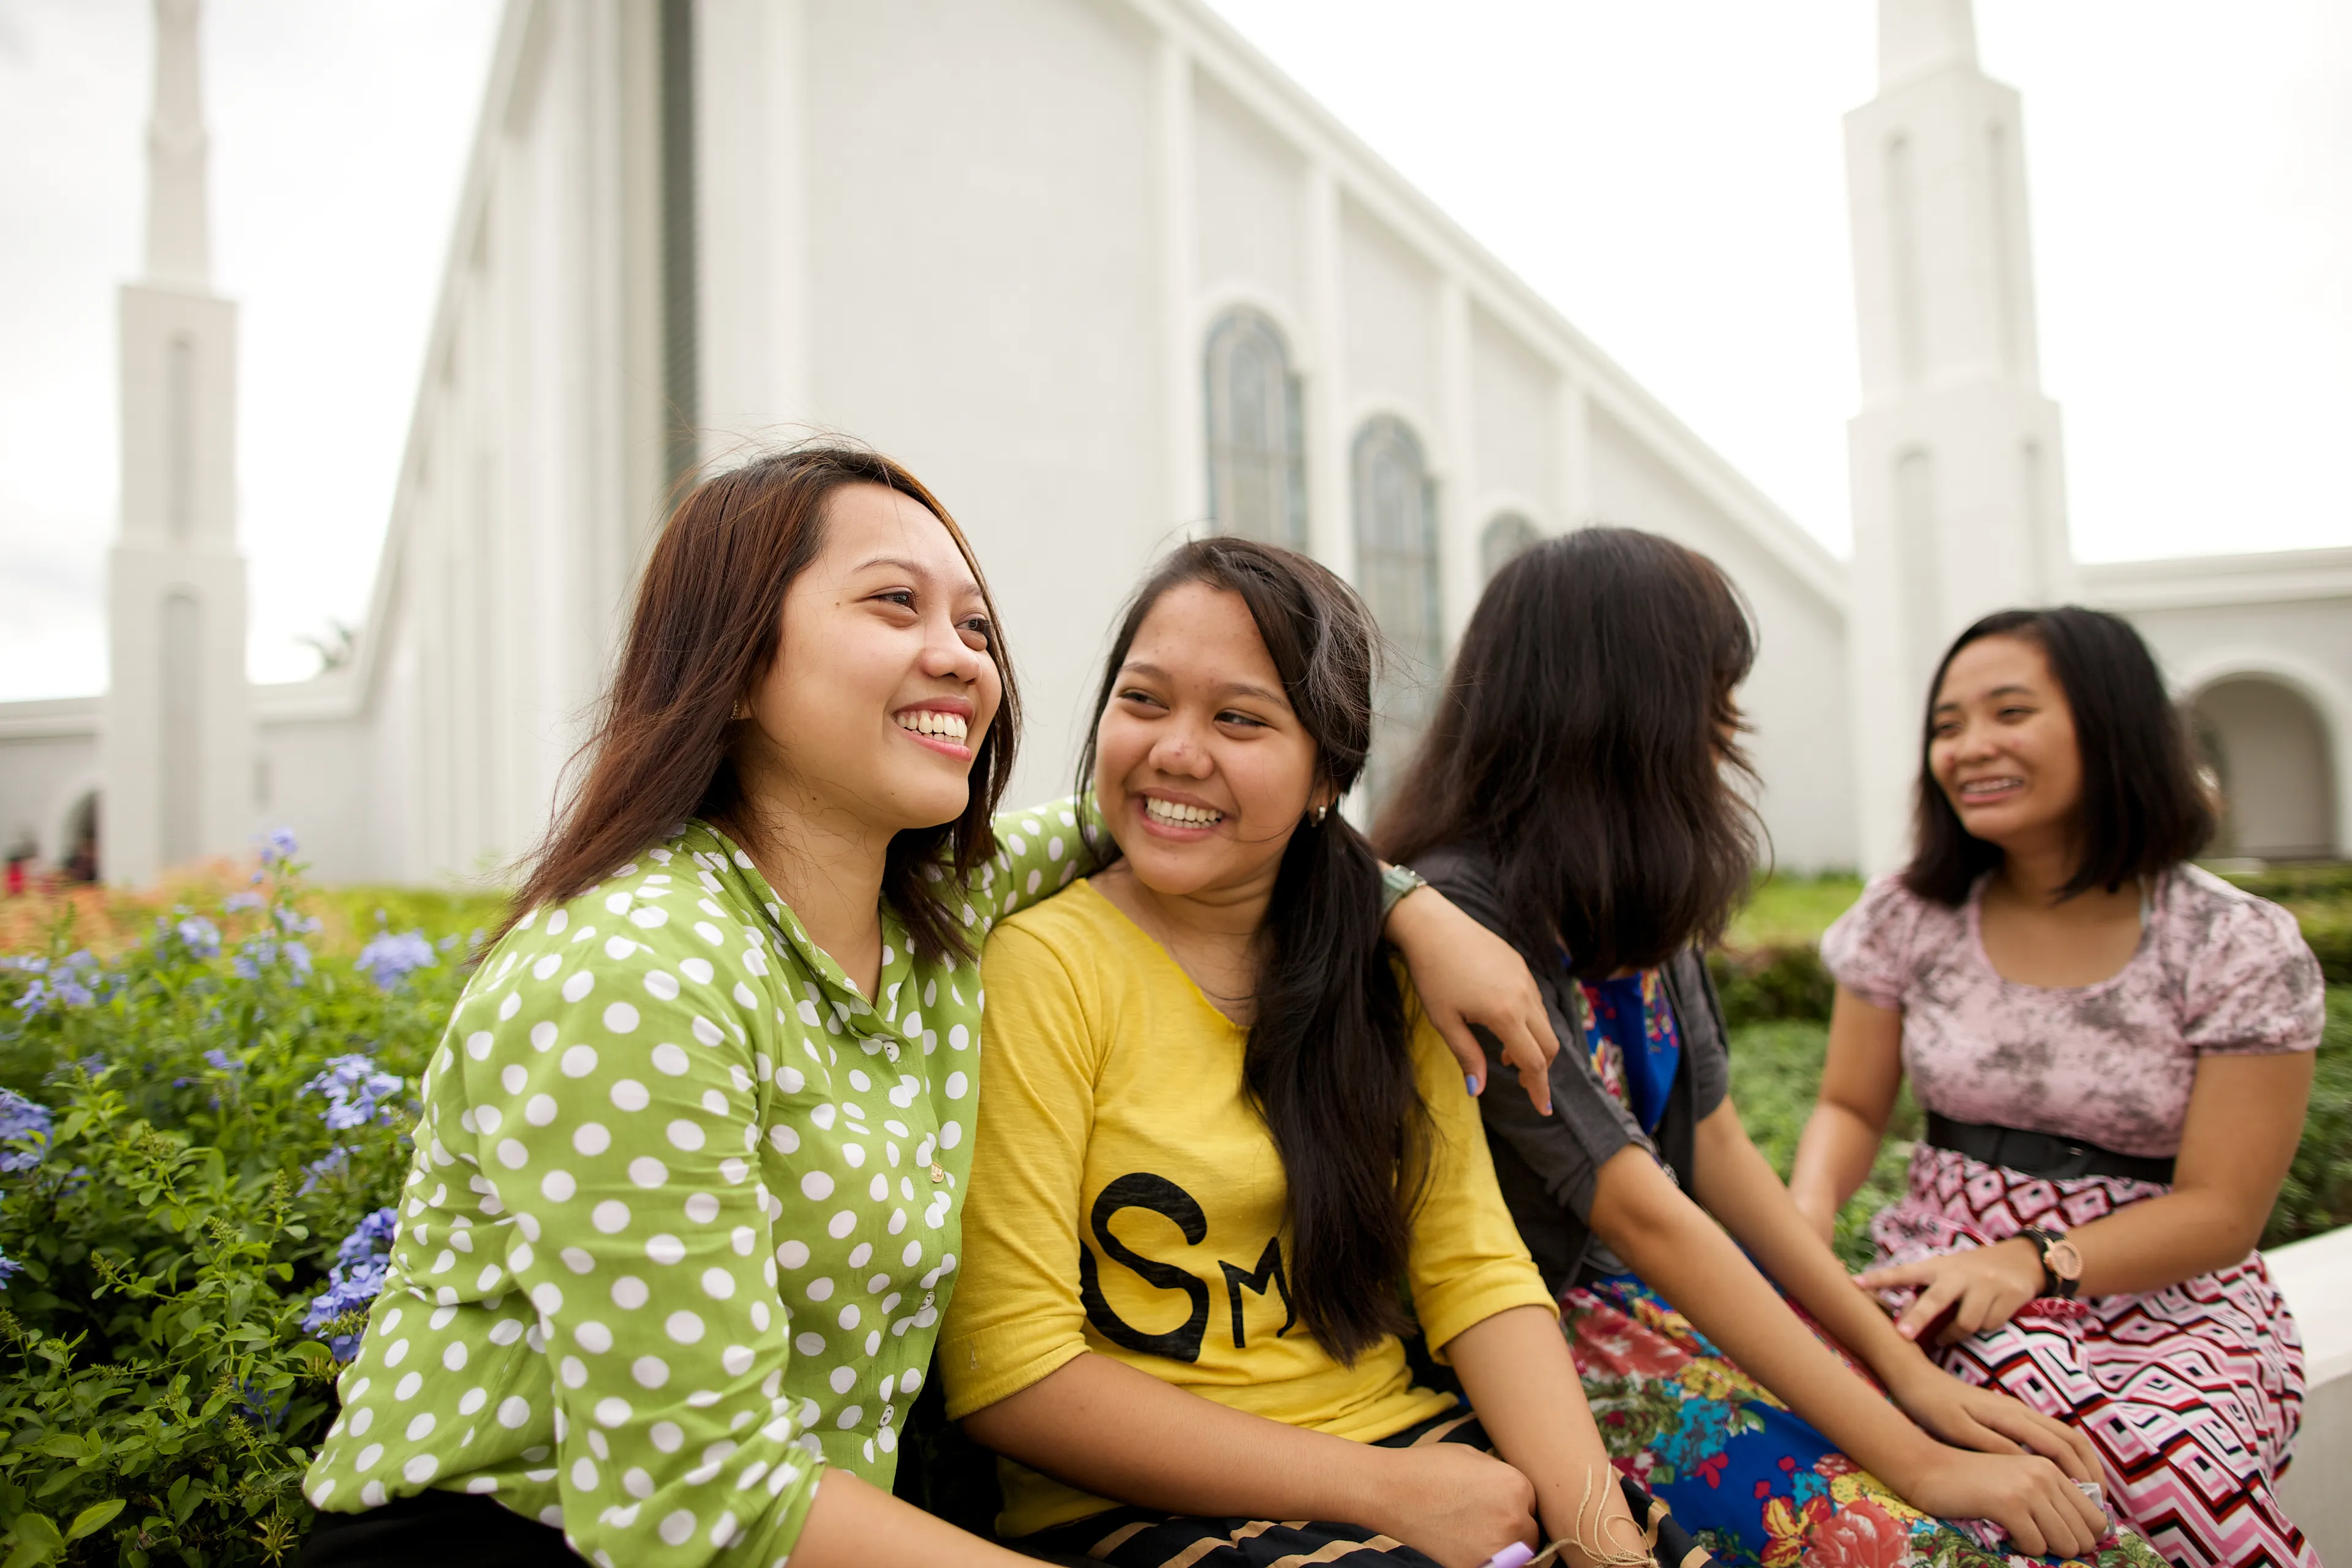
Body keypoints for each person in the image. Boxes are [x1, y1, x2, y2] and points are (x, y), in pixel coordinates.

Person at [296, 447, 1562, 1568]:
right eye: (894, 603)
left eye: (974, 621)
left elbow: (1196, 817)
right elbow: (703, 1506)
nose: (961, 654)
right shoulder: (632, 978)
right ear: (734, 663)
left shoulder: (932, 911)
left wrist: (1410, 903)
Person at [1373, 530, 2130, 1566]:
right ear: (1630, 706)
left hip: (1661, 1295)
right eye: (1714, 693)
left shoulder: (1628, 888)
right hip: (1542, 1339)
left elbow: (1719, 1147)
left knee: (2058, 1505)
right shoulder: (1465, 913)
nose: (1730, 726)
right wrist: (1915, 1459)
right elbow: (1637, 1208)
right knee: (1919, 1539)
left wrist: (1898, 1368)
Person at [944, 537, 1702, 1568]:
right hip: (1147, 1507)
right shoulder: (1047, 967)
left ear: (1324, 776)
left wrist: (1601, 1538)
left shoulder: (1381, 966)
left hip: (1420, 1454)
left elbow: (1475, 1273)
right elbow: (1012, 1373)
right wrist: (1388, 1493)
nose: (1176, 750)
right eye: (1144, 700)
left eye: (1240, 719)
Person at [1789, 606, 2323, 1568]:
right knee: (2002, 1442)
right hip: (1939, 1266)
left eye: (2009, 713)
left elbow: (2224, 1210)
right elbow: (1850, 1105)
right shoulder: (1908, 914)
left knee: (2171, 1459)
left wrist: (2033, 1261)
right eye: (1947, 727)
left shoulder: (2236, 945)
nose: (1969, 748)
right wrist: (1807, 1218)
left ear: (2110, 725)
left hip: (2171, 1290)